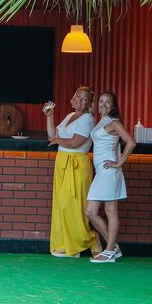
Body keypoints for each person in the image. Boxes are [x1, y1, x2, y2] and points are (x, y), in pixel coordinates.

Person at [44, 85, 100, 258]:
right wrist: (50, 116)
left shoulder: (88, 119)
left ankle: (90, 239)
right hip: (62, 162)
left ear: (90, 104)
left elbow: (76, 143)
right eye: (78, 97)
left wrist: (57, 140)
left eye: (85, 99)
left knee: (74, 206)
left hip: (77, 164)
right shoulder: (70, 116)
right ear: (72, 98)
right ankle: (66, 244)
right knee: (62, 205)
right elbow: (52, 135)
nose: (80, 101)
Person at [85, 92, 136, 263]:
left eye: (108, 102)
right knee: (90, 212)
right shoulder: (101, 121)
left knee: (110, 211)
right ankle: (113, 248)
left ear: (113, 106)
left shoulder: (114, 122)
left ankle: (108, 252)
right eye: (101, 101)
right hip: (101, 172)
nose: (104, 105)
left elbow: (131, 142)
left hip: (109, 171)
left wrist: (119, 162)